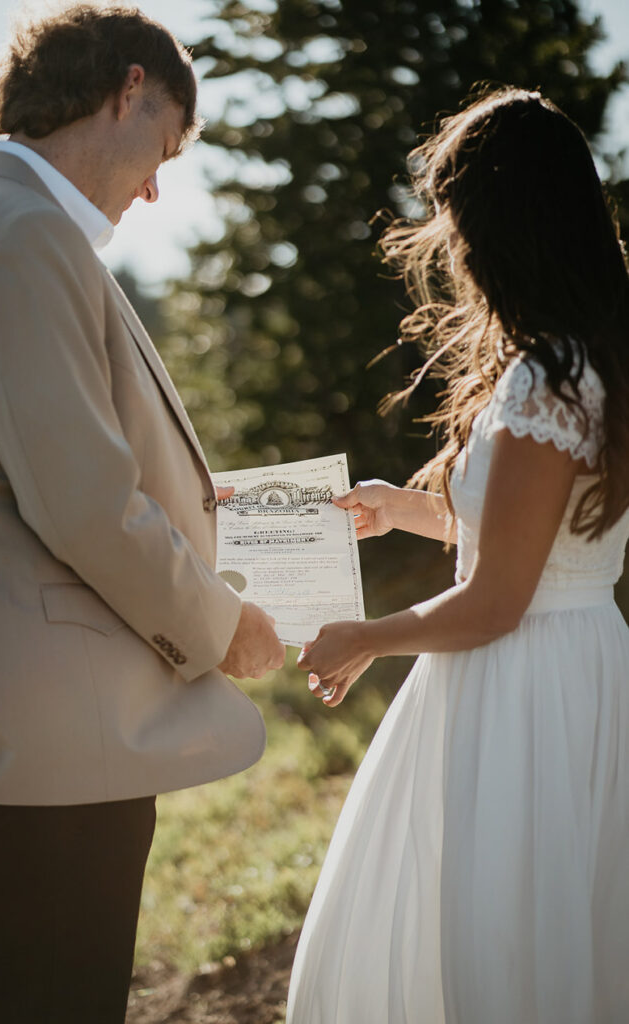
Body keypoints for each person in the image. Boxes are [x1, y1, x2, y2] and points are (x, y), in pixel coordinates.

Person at [0, 5, 284, 1022]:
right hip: (64, 731)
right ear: (126, 89)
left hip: (23, 715)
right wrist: (224, 624)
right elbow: (82, 500)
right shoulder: (25, 237)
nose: (152, 186)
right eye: (163, 147)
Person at [288, 87, 629, 1023]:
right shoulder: (591, 359)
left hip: (519, 683)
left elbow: (495, 602)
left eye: (455, 221)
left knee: (502, 940)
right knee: (556, 927)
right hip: (579, 663)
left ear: (496, 227)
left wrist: (365, 634)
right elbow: (545, 546)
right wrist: (408, 510)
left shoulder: (542, 379)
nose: (450, 248)